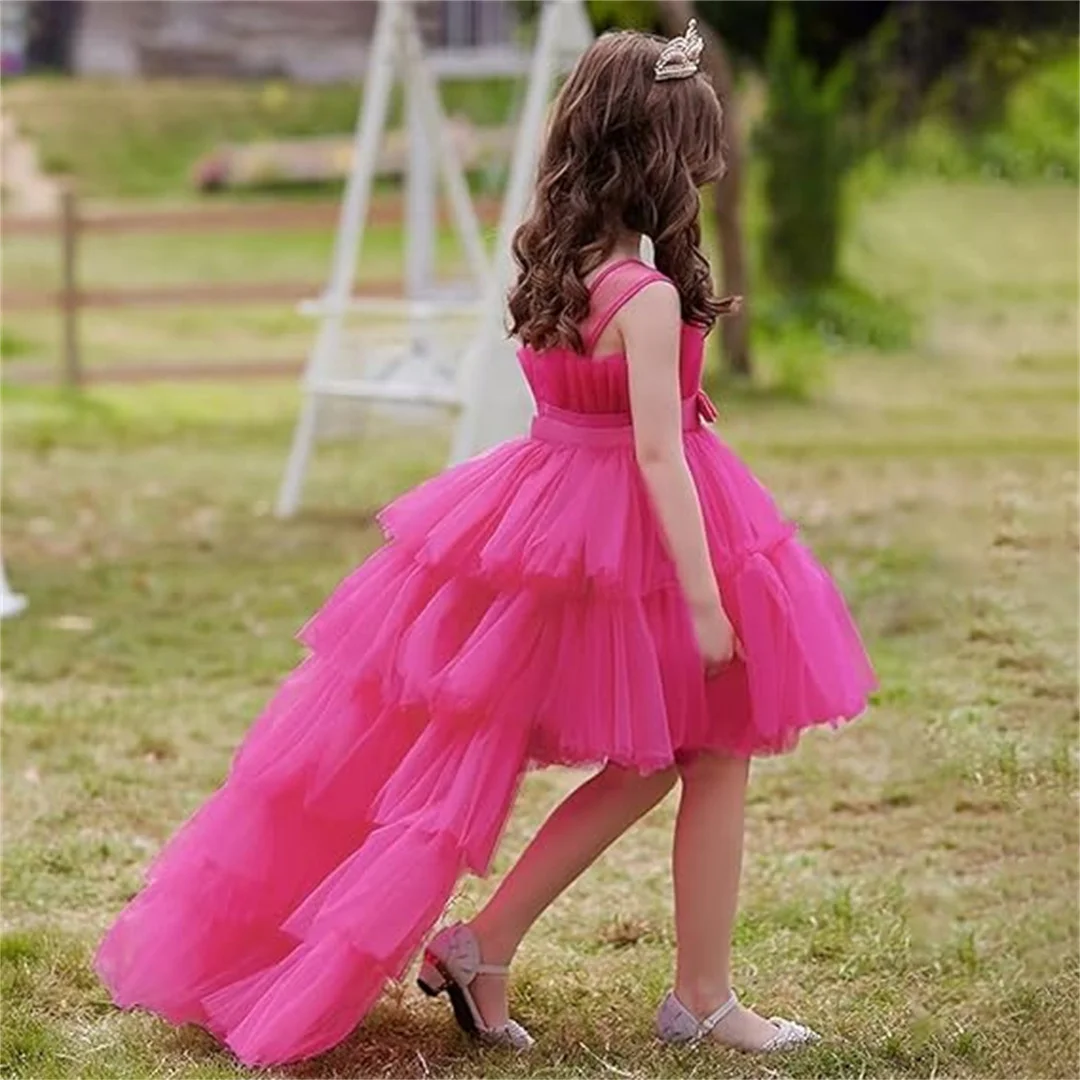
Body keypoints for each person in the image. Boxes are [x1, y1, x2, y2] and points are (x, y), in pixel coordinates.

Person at [95, 21, 875, 1067]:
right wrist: (703, 598)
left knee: (686, 752)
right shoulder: (640, 298)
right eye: (695, 148)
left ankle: (520, 951)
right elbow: (656, 456)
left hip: (554, 515)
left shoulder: (564, 267)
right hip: (628, 540)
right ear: (656, 154)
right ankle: (660, 984)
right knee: (701, 748)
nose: (704, 169)